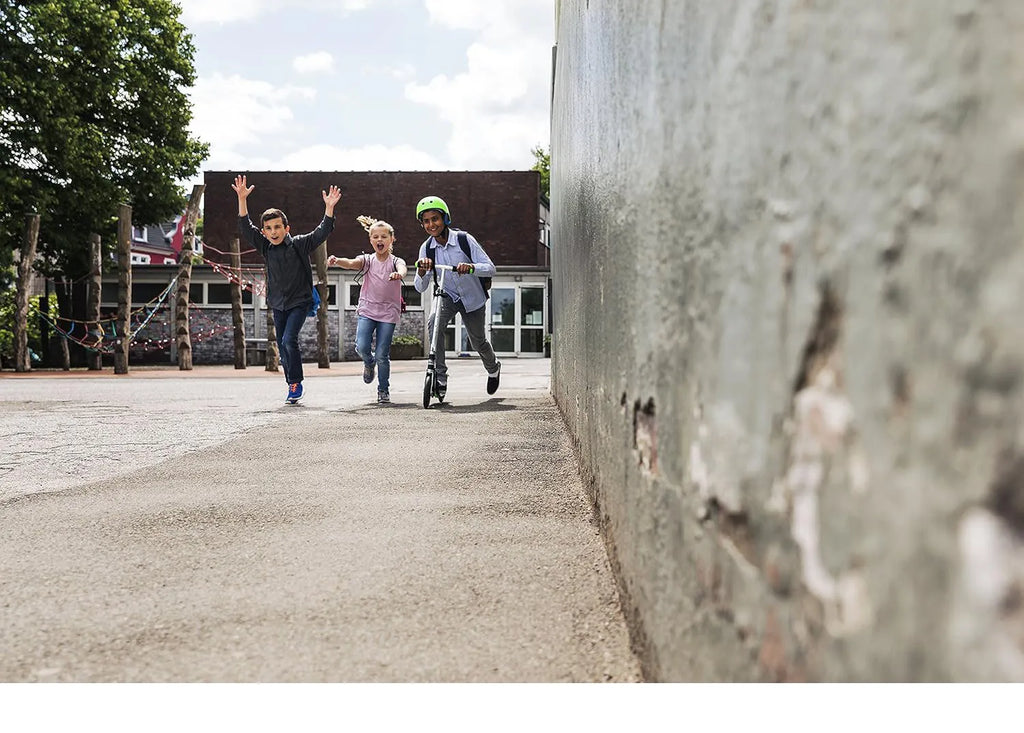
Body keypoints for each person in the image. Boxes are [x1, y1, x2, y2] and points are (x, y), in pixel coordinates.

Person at [232, 174, 341, 404]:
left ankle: (296, 383)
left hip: (299, 302)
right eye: (268, 228)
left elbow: (321, 232)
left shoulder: (299, 244)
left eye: (277, 227)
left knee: (289, 339)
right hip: (278, 303)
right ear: (264, 231)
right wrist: (242, 199)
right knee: (282, 344)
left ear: (286, 228)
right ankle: (290, 382)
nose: (273, 232)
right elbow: (246, 227)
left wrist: (329, 208)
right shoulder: (265, 247)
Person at [412, 195, 500, 399]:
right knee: (434, 323)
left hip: (472, 298)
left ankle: (493, 368)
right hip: (447, 295)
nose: (431, 225)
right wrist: (422, 271)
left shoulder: (463, 240)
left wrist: (471, 267)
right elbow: (420, 287)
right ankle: (440, 378)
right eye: (426, 221)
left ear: (445, 218)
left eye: (435, 219)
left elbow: (490, 268)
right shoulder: (426, 248)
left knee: (478, 342)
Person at [327, 217, 407, 404]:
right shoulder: (368, 260)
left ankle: (383, 390)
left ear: (391, 239)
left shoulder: (396, 261)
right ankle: (369, 363)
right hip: (368, 310)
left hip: (388, 313)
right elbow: (351, 263)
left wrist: (399, 274)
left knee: (382, 354)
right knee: (362, 346)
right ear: (370, 240)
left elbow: (403, 268)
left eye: (384, 237)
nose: (380, 240)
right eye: (376, 237)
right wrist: (337, 260)